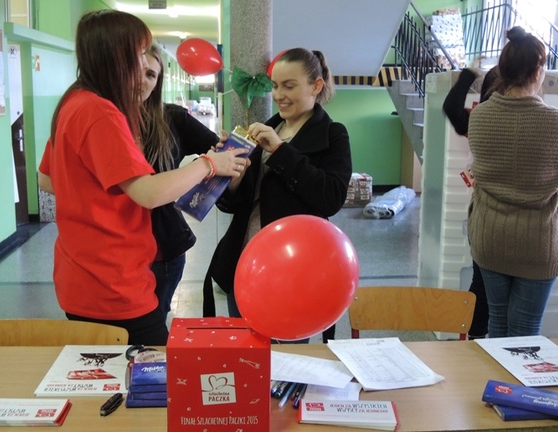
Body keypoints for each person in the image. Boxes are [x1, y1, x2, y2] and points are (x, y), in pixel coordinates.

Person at [37, 9, 248, 345]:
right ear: (116, 56)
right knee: (152, 382)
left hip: (80, 274)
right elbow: (148, 193)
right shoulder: (101, 112)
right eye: (139, 54)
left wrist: (92, 199)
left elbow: (47, 178)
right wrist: (209, 164)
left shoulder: (73, 103)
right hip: (113, 283)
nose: (144, 66)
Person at [202, 48, 353, 343]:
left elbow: (331, 198)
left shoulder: (333, 134)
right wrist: (232, 174)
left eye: (289, 85)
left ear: (316, 86)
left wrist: (282, 151)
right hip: (245, 262)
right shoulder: (268, 128)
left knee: (287, 362)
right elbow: (236, 203)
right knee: (246, 351)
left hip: (293, 271)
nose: (278, 95)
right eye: (274, 85)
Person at [467, 26, 558, 338]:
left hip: (490, 235)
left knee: (497, 323)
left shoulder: (479, 117)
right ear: (537, 71)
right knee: (524, 331)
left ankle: (496, 389)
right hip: (538, 241)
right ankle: (517, 388)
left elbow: (484, 166)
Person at [141, 44, 221, 320]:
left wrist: (202, 193)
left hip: (162, 249)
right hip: (114, 253)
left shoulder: (172, 118)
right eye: (136, 70)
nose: (142, 80)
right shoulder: (102, 120)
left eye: (151, 74)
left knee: (153, 320)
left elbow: (221, 150)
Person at [442, 62, 498, 339]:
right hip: (526, 223)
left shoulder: (479, 118)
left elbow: (451, 107)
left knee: (483, 282)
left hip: (485, 214)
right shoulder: (540, 121)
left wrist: (467, 76)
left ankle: (475, 338)